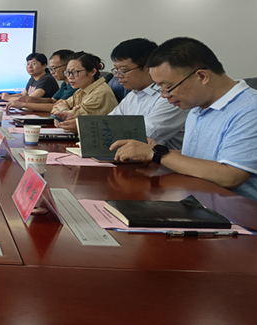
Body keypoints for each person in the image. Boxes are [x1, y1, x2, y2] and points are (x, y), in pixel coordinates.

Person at [112, 37, 257, 202]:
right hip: (195, 200)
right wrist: (156, 150)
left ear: (202, 76)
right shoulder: (197, 107)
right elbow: (199, 156)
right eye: (160, 88)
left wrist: (158, 154)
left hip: (238, 212)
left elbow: (230, 176)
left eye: (168, 87)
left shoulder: (249, 109)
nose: (164, 95)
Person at [106, 38, 187, 148]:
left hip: (163, 158)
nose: (118, 75)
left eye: (124, 70)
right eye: (116, 70)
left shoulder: (169, 97)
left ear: (149, 68)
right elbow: (107, 124)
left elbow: (141, 138)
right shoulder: (132, 95)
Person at [51, 51, 118, 129]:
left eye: (75, 72)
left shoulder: (100, 93)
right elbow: (57, 106)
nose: (70, 77)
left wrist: (64, 110)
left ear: (92, 72)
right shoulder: (81, 91)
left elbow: (71, 118)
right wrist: (57, 115)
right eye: (67, 72)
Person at [6, 49, 78, 112]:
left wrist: (23, 104)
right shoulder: (65, 84)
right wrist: (29, 99)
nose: (52, 72)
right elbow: (52, 100)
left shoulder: (74, 85)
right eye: (51, 69)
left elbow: (56, 106)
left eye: (54, 68)